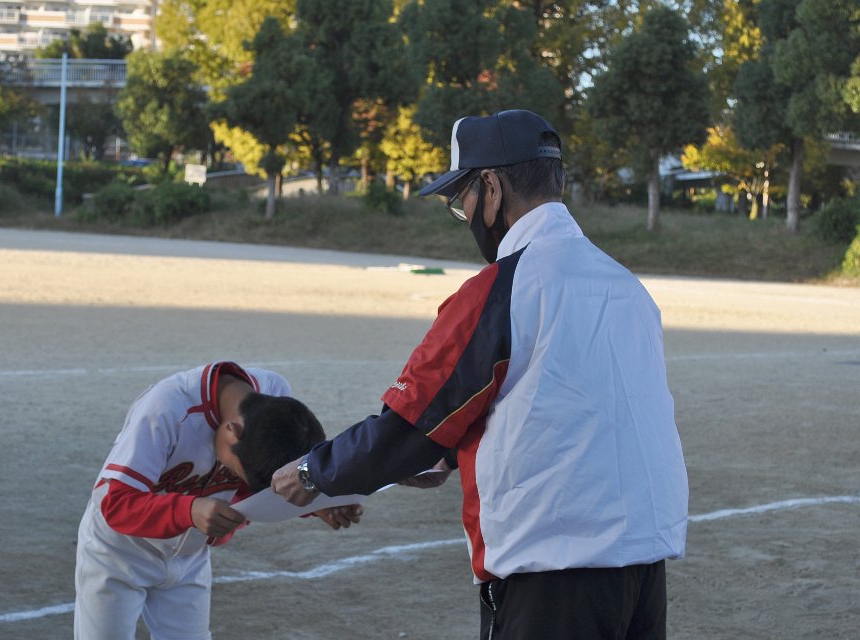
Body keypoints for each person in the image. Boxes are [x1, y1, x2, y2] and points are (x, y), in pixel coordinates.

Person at [272, 109, 689, 640]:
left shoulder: (501, 288)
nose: (465, 214)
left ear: (491, 187)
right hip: (643, 565)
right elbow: (578, 404)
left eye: (461, 198)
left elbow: (409, 427)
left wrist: (314, 471)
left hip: (555, 568)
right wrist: (452, 455)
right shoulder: (625, 285)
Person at [75, 360, 362, 640]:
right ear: (231, 431)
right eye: (238, 471)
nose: (237, 479)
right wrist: (188, 510)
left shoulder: (275, 396)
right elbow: (116, 503)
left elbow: (271, 480)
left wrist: (314, 504)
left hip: (190, 552)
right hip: (120, 550)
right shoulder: (166, 408)